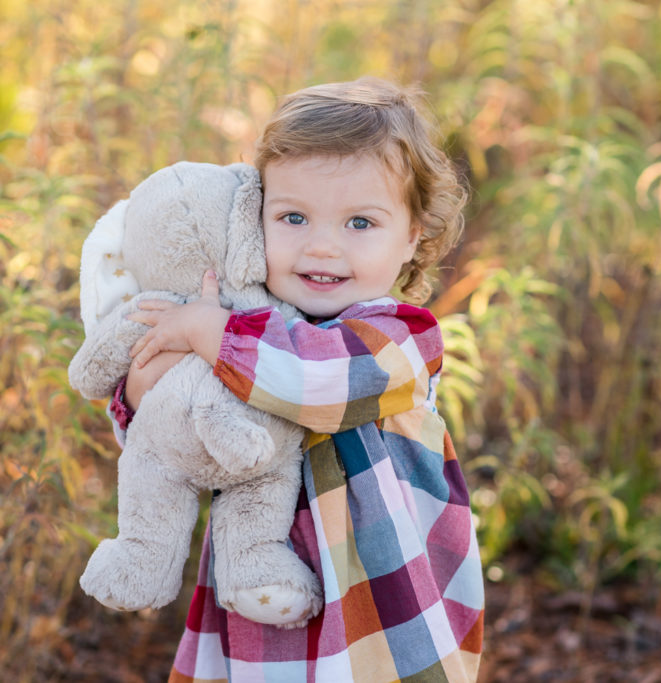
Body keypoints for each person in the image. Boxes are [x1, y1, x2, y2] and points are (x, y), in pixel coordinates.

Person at [115, 77, 484, 682]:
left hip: (379, 606)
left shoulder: (399, 337)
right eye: (293, 217)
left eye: (360, 224)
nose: (322, 247)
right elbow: (170, 432)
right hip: (264, 591)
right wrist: (144, 386)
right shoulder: (246, 326)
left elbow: (310, 381)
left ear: (413, 236)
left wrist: (210, 334)